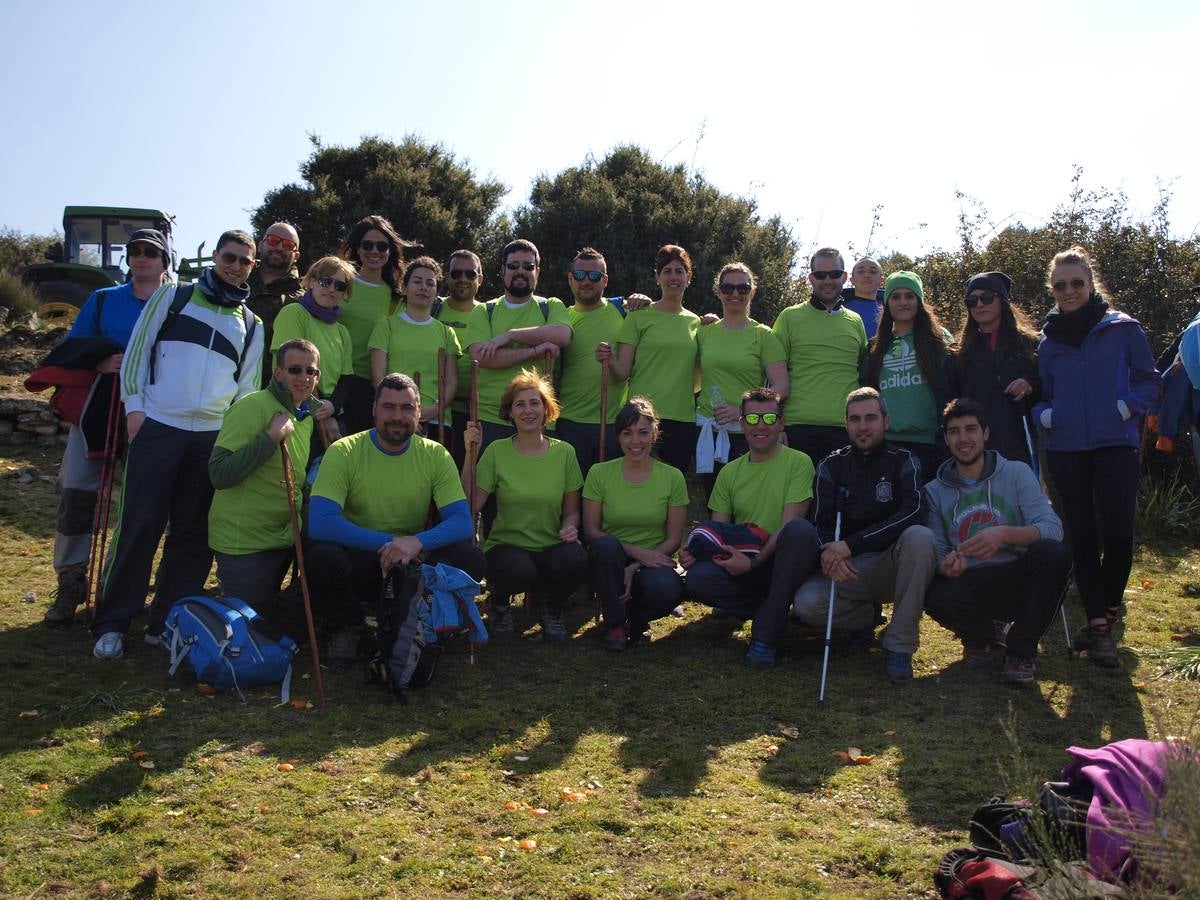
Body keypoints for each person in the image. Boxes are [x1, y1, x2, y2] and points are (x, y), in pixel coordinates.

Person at [91, 229, 265, 659]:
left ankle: (168, 622)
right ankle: (112, 622)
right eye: (230, 257)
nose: (236, 266)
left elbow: (246, 389)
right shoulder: (173, 297)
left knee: (193, 534)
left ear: (252, 267)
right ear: (215, 257)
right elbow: (136, 353)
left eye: (245, 261)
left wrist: (232, 439)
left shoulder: (252, 323)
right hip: (159, 426)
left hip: (210, 438)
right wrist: (136, 411)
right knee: (140, 525)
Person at [1033, 246, 1159, 667]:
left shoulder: (1123, 329)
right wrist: (1047, 416)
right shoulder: (1048, 342)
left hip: (1114, 444)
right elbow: (1041, 395)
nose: (1069, 291)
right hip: (1067, 448)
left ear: (1091, 283)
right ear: (1052, 290)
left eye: (1076, 283)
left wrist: (1126, 408)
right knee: (1083, 538)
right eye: (1060, 285)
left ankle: (1107, 611)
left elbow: (1149, 381)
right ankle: (1100, 629)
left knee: (1119, 535)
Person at [304, 373, 485, 665]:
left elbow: (461, 522)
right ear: (374, 409)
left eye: (406, 408)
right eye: (389, 407)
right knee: (320, 557)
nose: (397, 416)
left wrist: (416, 542)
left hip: (412, 563)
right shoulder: (344, 451)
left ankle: (432, 620)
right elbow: (321, 521)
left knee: (470, 557)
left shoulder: (435, 455)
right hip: (365, 558)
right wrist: (391, 543)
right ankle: (348, 627)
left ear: (418, 412)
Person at [43, 228, 169, 627]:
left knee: (141, 504)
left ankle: (118, 585)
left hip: (155, 412)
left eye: (152, 252)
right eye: (136, 251)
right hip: (101, 407)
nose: (143, 258)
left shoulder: (179, 303)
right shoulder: (101, 301)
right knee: (78, 492)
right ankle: (71, 583)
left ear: (165, 259)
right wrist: (98, 362)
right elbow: (74, 348)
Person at [792, 388, 938, 683]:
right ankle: (864, 619)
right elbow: (819, 524)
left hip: (890, 564)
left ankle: (899, 645)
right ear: (845, 423)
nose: (863, 426)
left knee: (921, 537)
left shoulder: (904, 460)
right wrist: (828, 554)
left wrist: (851, 544)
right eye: (855, 419)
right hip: (847, 570)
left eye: (871, 418)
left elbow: (914, 511)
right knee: (807, 604)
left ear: (886, 421)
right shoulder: (830, 465)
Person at [923, 399, 1071, 685]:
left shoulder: (1016, 473)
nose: (963, 439)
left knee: (1053, 554)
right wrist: (946, 566)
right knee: (930, 588)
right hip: (970, 578)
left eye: (971, 429)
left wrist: (1004, 534)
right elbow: (939, 550)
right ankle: (984, 639)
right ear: (945, 438)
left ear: (986, 433)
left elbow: (1052, 528)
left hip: (1017, 575)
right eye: (954, 431)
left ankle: (1020, 652)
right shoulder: (934, 490)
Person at [683, 388, 822, 666]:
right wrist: (701, 551)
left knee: (800, 532)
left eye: (769, 418)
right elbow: (719, 532)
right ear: (742, 423)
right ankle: (774, 609)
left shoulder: (799, 462)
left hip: (782, 561)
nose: (761, 426)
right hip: (745, 561)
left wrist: (755, 562)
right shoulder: (729, 472)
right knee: (698, 577)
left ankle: (765, 636)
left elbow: (788, 524)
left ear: (781, 423)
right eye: (753, 418)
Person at [463, 369, 586, 640]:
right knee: (518, 570)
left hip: (550, 545)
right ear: (509, 412)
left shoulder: (565, 453)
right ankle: (499, 604)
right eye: (520, 404)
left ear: (546, 409)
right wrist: (470, 456)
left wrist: (569, 527)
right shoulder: (496, 451)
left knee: (576, 557)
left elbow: (571, 511)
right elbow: (471, 504)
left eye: (534, 402)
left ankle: (551, 609)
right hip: (507, 547)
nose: (528, 410)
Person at [208, 339, 332, 608]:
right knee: (249, 624)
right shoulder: (251, 406)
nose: (304, 377)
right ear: (278, 373)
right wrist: (269, 438)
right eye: (295, 370)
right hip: (246, 543)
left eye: (310, 371)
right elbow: (219, 474)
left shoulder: (305, 415)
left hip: (284, 536)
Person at [583, 396, 689, 651]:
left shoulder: (672, 477)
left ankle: (638, 620)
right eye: (627, 434)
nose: (635, 442)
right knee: (606, 547)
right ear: (618, 437)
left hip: (654, 560)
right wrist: (633, 554)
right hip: (610, 561)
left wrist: (638, 565)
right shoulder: (599, 473)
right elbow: (591, 531)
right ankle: (616, 625)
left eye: (643, 433)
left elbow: (674, 539)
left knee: (668, 589)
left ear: (655, 434)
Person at [464, 239, 571, 454]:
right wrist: (535, 350)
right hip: (489, 418)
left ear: (537, 272)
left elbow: (563, 335)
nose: (520, 271)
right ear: (502, 270)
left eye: (528, 266)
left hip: (539, 421)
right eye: (513, 266)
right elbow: (480, 357)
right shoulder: (485, 311)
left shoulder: (550, 306)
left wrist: (510, 336)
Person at [695, 263, 789, 496]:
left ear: (752, 291)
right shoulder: (704, 331)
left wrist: (742, 411)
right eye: (727, 288)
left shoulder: (763, 335)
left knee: (746, 503)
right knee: (713, 501)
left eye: (742, 288)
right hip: (709, 431)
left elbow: (781, 386)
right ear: (718, 291)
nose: (735, 294)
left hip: (749, 432)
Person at [610, 244, 701, 474]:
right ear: (657, 277)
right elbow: (622, 372)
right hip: (641, 419)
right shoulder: (637, 316)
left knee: (672, 490)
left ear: (689, 277)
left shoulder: (697, 323)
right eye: (667, 271)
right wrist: (609, 360)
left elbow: (698, 378)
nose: (673, 277)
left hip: (682, 419)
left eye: (679, 271)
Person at [557, 247, 648, 476]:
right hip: (568, 422)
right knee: (572, 497)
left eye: (594, 276)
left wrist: (644, 299)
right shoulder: (561, 319)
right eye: (579, 275)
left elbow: (661, 314)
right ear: (570, 278)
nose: (586, 281)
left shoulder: (624, 311)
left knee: (606, 497)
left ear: (605, 280)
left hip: (610, 424)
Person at [773, 248, 868, 465]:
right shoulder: (789, 317)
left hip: (847, 429)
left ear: (845, 277)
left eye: (834, 274)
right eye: (820, 275)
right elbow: (773, 376)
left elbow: (862, 373)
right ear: (810, 278)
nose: (828, 280)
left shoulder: (856, 321)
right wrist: (776, 424)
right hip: (797, 428)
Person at [861, 271, 952, 479]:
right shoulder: (875, 347)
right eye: (896, 297)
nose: (903, 302)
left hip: (932, 444)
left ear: (919, 301)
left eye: (909, 296)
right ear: (887, 303)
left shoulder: (940, 339)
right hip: (888, 445)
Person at [947, 271, 1040, 468]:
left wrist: (1029, 383)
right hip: (976, 450)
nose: (979, 305)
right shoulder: (958, 354)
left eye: (987, 298)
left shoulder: (1029, 344)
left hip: (1022, 443)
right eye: (972, 301)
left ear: (1002, 301)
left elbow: (1047, 384)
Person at [368, 256, 460, 446]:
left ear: (436, 291)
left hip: (438, 421)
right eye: (417, 281)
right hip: (395, 419)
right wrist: (405, 412)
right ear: (405, 287)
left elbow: (451, 382)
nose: (423, 288)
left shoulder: (446, 332)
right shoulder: (386, 326)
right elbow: (378, 377)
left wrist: (433, 409)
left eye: (430, 283)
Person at [269, 255, 356, 454]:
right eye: (326, 281)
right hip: (295, 412)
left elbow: (346, 376)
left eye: (340, 286)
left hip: (331, 417)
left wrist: (332, 407)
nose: (332, 289)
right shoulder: (294, 313)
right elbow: (288, 369)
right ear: (312, 281)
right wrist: (320, 410)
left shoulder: (343, 332)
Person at [338, 216, 411, 435]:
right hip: (334, 382)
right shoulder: (341, 283)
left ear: (390, 252)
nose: (374, 251)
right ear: (357, 249)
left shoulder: (396, 298)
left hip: (372, 388)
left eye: (382, 246)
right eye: (367, 245)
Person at [435, 250, 484, 467]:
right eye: (456, 273)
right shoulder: (433, 308)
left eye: (470, 274)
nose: (463, 279)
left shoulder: (488, 313)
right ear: (447, 276)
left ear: (480, 279)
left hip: (476, 413)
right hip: (438, 412)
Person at [247, 222, 304, 385]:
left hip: (272, 392)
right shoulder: (237, 281)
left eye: (287, 245)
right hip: (222, 386)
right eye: (273, 240)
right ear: (261, 245)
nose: (279, 247)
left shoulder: (303, 299)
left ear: (296, 255)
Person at [842, 256, 885, 339]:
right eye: (861, 271)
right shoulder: (838, 308)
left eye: (872, 271)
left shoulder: (890, 310)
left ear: (881, 280)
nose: (866, 275)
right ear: (852, 280)